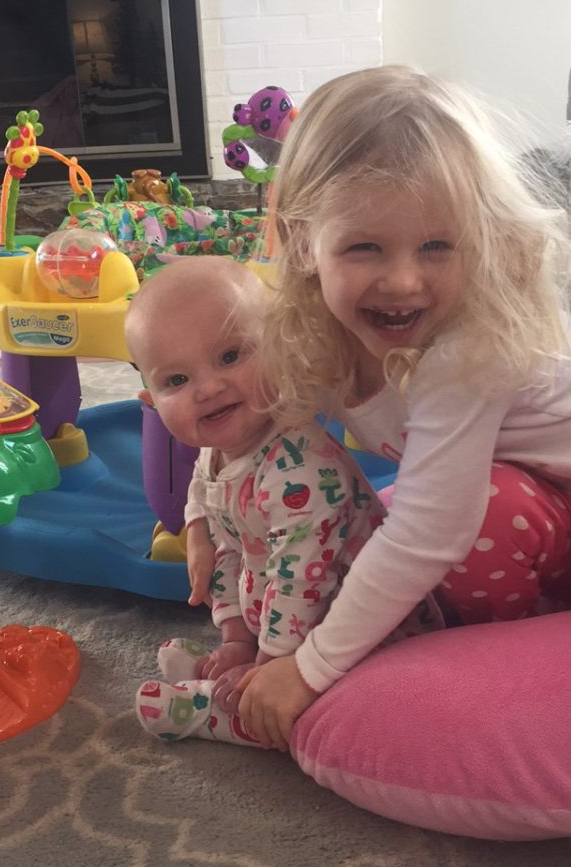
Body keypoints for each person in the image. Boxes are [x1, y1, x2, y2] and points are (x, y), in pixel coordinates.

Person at [217, 64, 571, 751]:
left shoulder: (464, 348)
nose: (403, 280)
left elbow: (425, 532)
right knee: (482, 512)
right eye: (364, 247)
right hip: (550, 519)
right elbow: (250, 441)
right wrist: (202, 519)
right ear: (301, 241)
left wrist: (310, 668)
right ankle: (542, 643)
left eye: (437, 246)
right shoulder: (308, 335)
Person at [125, 255, 441, 748]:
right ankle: (236, 656)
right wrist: (235, 634)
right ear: (150, 401)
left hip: (361, 641)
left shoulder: (299, 470)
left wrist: (271, 671)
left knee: (319, 711)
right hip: (283, 619)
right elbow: (206, 499)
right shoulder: (220, 449)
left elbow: (301, 584)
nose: (208, 388)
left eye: (230, 356)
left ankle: (217, 714)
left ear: (281, 349)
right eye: (177, 381)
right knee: (228, 555)